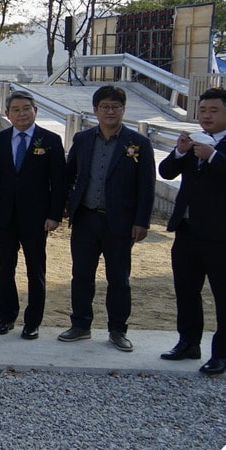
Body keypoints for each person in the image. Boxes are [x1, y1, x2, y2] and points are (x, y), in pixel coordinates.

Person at [158, 88, 226, 376]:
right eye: (203, 110)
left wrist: (214, 156)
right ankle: (188, 342)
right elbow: (166, 172)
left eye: (213, 110)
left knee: (224, 295)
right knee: (186, 291)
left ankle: (223, 355)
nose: (206, 115)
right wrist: (180, 150)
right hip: (187, 229)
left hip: (222, 234)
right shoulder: (194, 142)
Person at [60, 85, 154, 352]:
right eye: (104, 107)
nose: (110, 111)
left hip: (120, 223)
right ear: (95, 110)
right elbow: (70, 175)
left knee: (119, 279)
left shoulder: (138, 144)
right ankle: (80, 324)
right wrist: (69, 203)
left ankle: (118, 330)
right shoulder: (83, 139)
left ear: (124, 110)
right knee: (81, 275)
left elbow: (146, 187)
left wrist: (141, 221)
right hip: (86, 219)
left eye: (115, 106)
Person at [0, 92, 67, 340]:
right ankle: (6, 316)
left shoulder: (50, 140)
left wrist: (55, 214)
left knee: (35, 269)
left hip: (37, 217)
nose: (21, 113)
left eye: (26, 108)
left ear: (36, 110)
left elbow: (58, 182)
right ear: (7, 114)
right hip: (4, 215)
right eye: (15, 109)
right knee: (5, 267)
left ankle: (32, 321)